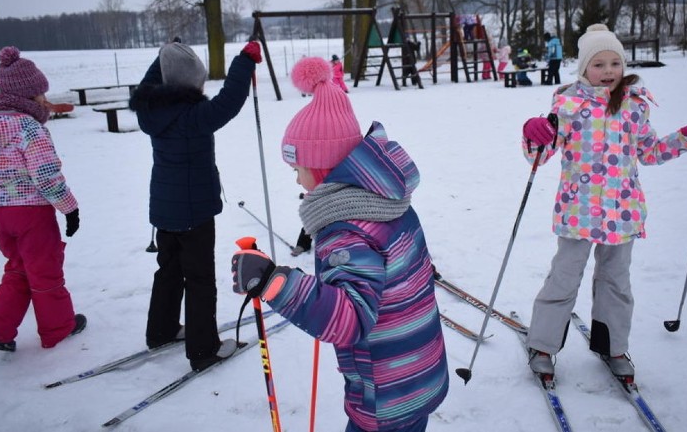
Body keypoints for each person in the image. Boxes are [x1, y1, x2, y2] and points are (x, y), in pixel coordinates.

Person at [231, 56, 449, 431]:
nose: (297, 181)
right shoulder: (385, 201)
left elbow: (349, 319)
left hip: (385, 394)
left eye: (297, 170)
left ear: (320, 168)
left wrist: (274, 283)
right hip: (417, 373)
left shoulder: (346, 231)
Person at [520, 23, 687, 380]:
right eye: (598, 65)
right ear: (584, 68)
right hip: (578, 211)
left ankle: (613, 346)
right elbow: (541, 155)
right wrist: (534, 135)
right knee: (564, 279)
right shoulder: (568, 105)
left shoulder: (634, 106)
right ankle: (542, 344)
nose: (608, 72)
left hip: (623, 211)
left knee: (616, 282)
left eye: (614, 63)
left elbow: (650, 152)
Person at [129, 38, 262, 372]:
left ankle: (161, 330)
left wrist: (166, 54)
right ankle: (204, 350)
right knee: (200, 278)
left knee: (169, 269)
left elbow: (150, 82)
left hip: (164, 209)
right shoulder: (194, 116)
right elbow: (229, 101)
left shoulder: (151, 111)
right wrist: (245, 60)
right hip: (195, 212)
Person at [0, 46, 86, 352]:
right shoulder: (29, 128)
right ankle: (59, 328)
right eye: (39, 94)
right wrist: (69, 208)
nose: (43, 100)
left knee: (18, 266)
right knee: (44, 269)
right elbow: (46, 176)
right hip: (31, 213)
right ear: (27, 95)